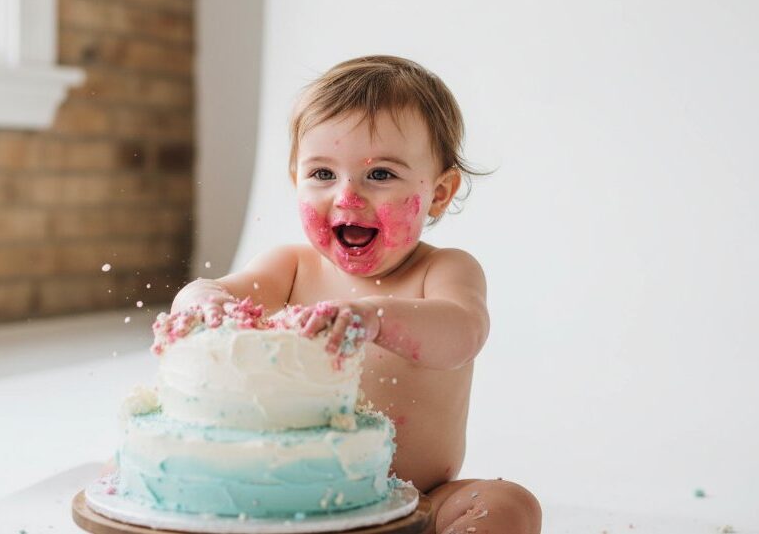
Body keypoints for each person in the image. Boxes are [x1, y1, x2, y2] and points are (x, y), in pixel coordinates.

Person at [170, 55, 542, 533]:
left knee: (509, 505)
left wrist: (377, 319)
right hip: (291, 502)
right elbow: (211, 292)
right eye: (323, 174)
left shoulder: (442, 270)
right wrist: (204, 302)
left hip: (415, 503)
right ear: (295, 180)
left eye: (380, 174)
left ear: (440, 193)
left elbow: (463, 333)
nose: (347, 197)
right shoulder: (289, 267)